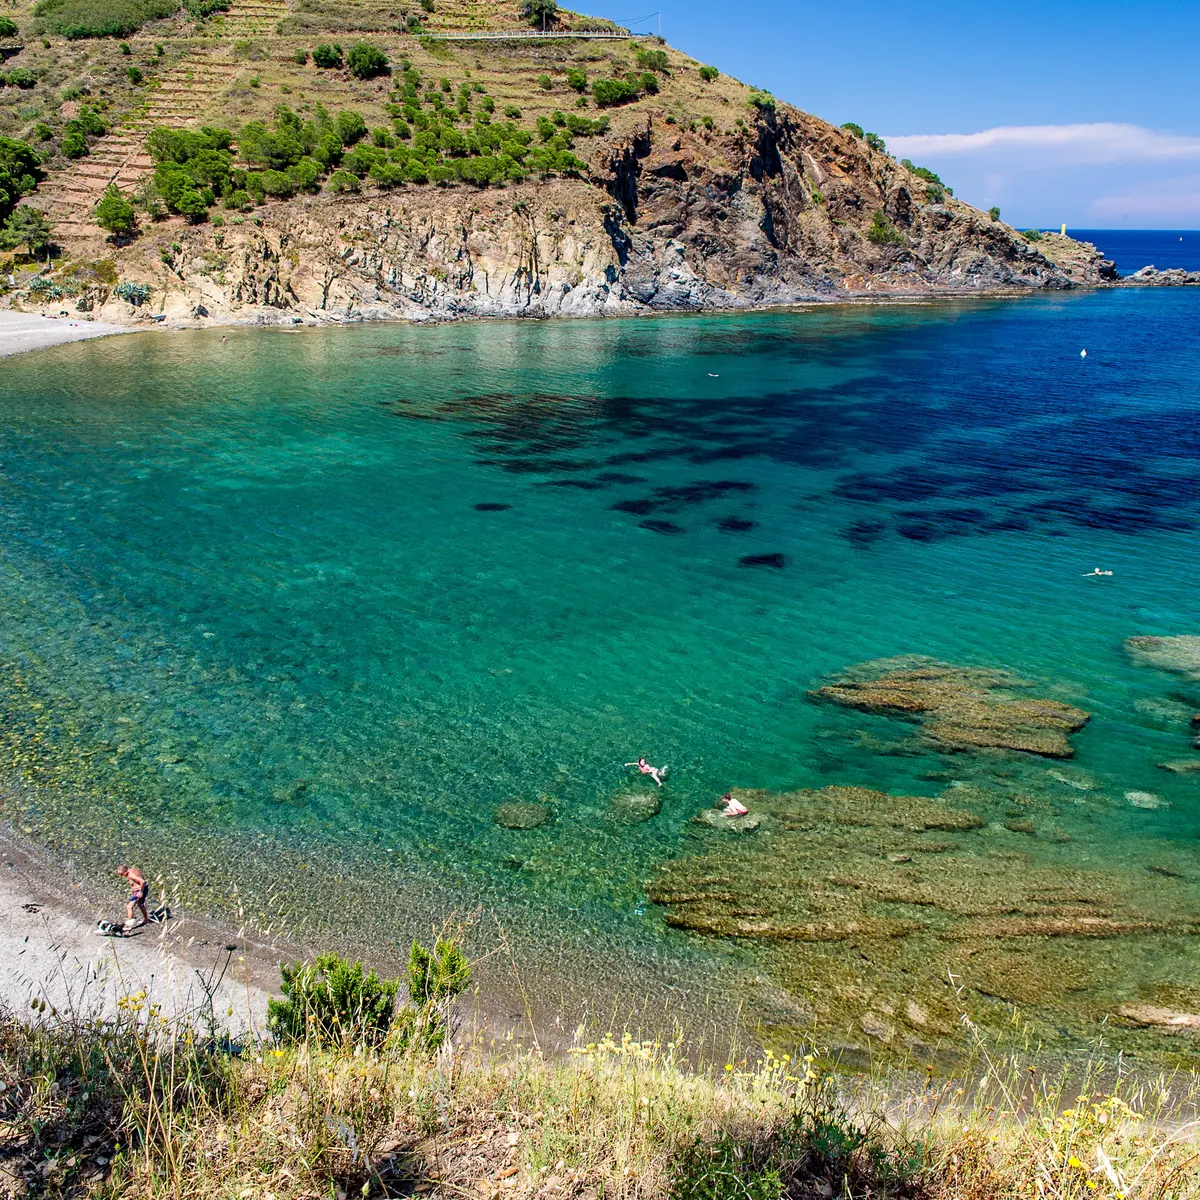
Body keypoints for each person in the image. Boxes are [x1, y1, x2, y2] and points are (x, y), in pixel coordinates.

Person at [116, 864, 149, 929]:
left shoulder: (130, 874)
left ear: (126, 872)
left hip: (139, 890)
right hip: (143, 888)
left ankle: (129, 925)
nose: (121, 876)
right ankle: (146, 919)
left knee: (129, 907)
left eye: (122, 874)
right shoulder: (133, 870)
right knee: (140, 905)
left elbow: (142, 881)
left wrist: (141, 892)